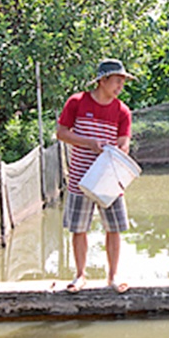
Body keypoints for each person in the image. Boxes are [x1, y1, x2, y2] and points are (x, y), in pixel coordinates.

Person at [56, 58, 136, 293]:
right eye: (117, 81)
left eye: (123, 82)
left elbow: (124, 143)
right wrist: (90, 144)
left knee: (114, 228)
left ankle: (113, 276)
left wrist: (116, 153)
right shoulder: (77, 102)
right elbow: (61, 133)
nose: (120, 86)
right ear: (102, 80)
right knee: (79, 228)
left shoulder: (122, 111)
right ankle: (80, 275)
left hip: (110, 180)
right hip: (80, 177)